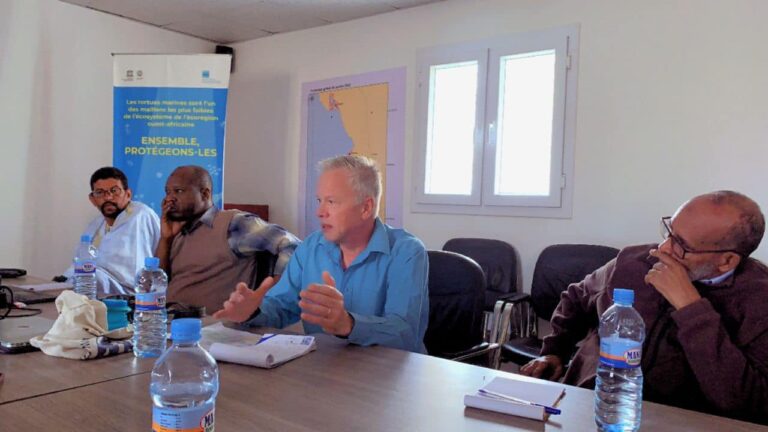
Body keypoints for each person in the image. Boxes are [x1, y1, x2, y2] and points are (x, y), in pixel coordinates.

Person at [520, 191, 768, 424]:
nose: (663, 249)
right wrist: (554, 351)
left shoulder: (758, 297)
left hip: (682, 422)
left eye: (681, 245)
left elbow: (745, 401)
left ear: (727, 261)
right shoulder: (634, 262)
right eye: (669, 231)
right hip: (591, 405)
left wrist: (690, 306)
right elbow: (576, 298)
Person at [213, 155, 430, 353]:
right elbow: (281, 306)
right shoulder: (311, 247)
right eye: (319, 200)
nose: (320, 212)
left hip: (391, 379)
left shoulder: (407, 252)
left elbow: (406, 334)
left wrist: (348, 324)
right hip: (326, 371)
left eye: (331, 201)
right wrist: (251, 312)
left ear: (366, 208)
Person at [156, 165, 299, 313]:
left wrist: (273, 289)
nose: (169, 199)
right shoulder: (178, 230)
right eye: (167, 192)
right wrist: (166, 239)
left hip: (212, 327)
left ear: (205, 194)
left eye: (179, 191)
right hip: (167, 322)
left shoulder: (234, 224)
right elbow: (156, 284)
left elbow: (292, 244)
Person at [63, 167, 160, 295]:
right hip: (98, 286)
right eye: (100, 192)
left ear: (128, 194)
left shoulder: (140, 215)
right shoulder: (96, 224)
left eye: (114, 191)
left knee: (91, 279)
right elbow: (80, 262)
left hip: (131, 293)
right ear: (92, 199)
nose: (108, 197)